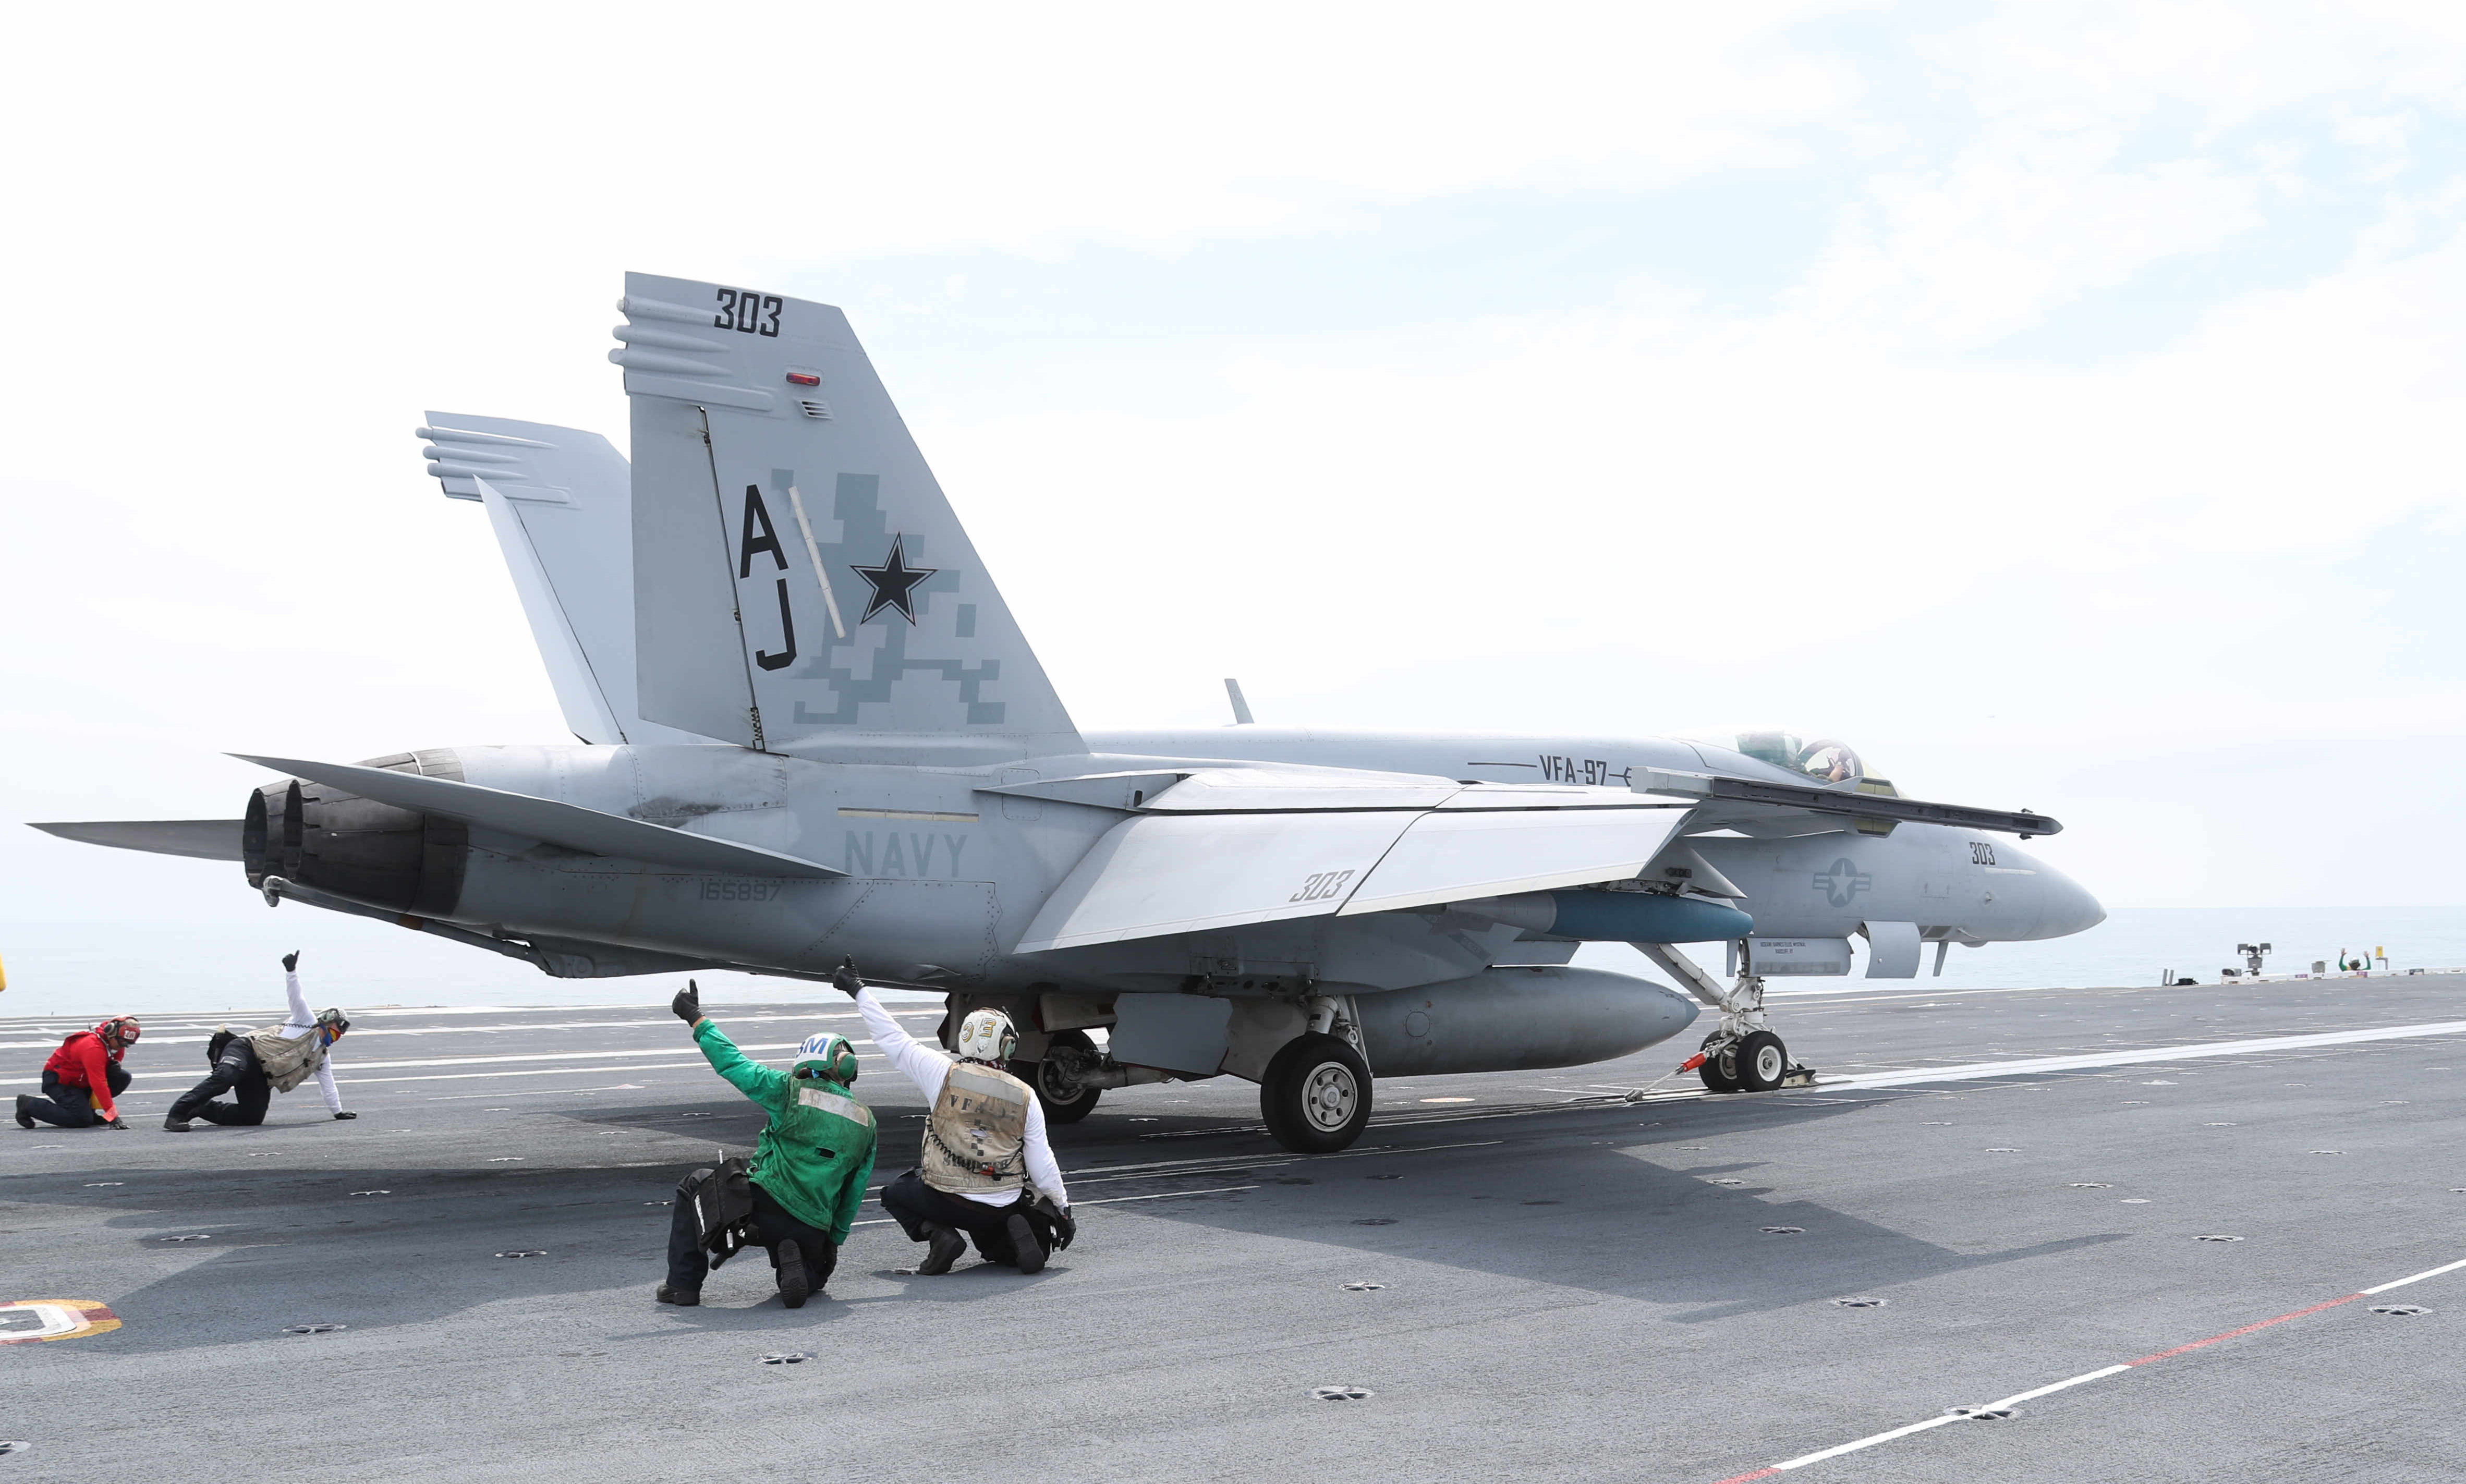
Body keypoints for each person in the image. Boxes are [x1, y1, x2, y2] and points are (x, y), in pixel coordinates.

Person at [837, 958, 1075, 1275]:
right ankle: (1014, 1233)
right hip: (1000, 1201)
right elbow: (1042, 1163)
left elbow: (893, 1038)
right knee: (996, 1247)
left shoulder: (941, 1074)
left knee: (895, 1193)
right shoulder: (1026, 1096)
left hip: (947, 1198)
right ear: (1007, 1049)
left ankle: (940, 1235)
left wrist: (858, 989)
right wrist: (1063, 1209)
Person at [658, 980, 878, 1309]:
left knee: (695, 1184)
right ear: (846, 1066)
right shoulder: (867, 1121)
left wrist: (696, 1018)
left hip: (760, 1212)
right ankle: (801, 1260)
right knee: (813, 1280)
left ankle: (683, 1286)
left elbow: (733, 1064)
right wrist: (833, 1241)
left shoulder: (788, 1090)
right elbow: (854, 1191)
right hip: (813, 1224)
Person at [164, 951, 354, 1130]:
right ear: (326, 1020)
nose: (333, 1039)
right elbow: (296, 996)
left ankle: (201, 1108)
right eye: (334, 1032)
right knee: (225, 1078)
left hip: (261, 1074)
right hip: (246, 1049)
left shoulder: (321, 1057)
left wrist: (338, 1112)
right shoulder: (306, 1020)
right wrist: (291, 971)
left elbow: (328, 1084)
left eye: (338, 1037)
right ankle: (177, 1114)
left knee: (252, 1117)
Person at [16, 1016, 141, 1130]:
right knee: (80, 1120)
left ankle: (89, 1112)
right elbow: (99, 1083)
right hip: (60, 1081)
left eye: (127, 1044)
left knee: (122, 1077)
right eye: (122, 1043)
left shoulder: (115, 1042)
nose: (122, 1047)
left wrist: (117, 1064)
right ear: (111, 1032)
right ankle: (28, 1105)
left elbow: (117, 1057)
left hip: (80, 1080)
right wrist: (113, 1117)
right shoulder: (94, 1048)